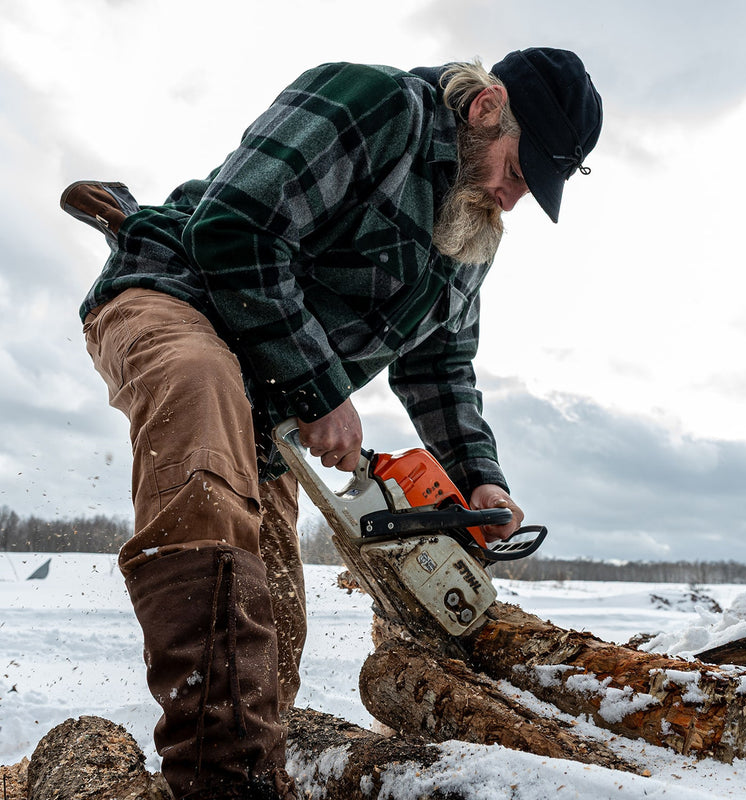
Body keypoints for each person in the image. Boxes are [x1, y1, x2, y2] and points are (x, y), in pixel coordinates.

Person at [61, 47, 602, 800]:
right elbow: (233, 231)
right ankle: (216, 778)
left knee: (273, 620)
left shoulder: (471, 230)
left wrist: (480, 478)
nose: (513, 197)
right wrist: (322, 389)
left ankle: (254, 764)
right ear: (486, 108)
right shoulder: (376, 105)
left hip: (270, 397)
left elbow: (440, 368)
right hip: (178, 300)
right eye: (517, 170)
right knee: (200, 385)